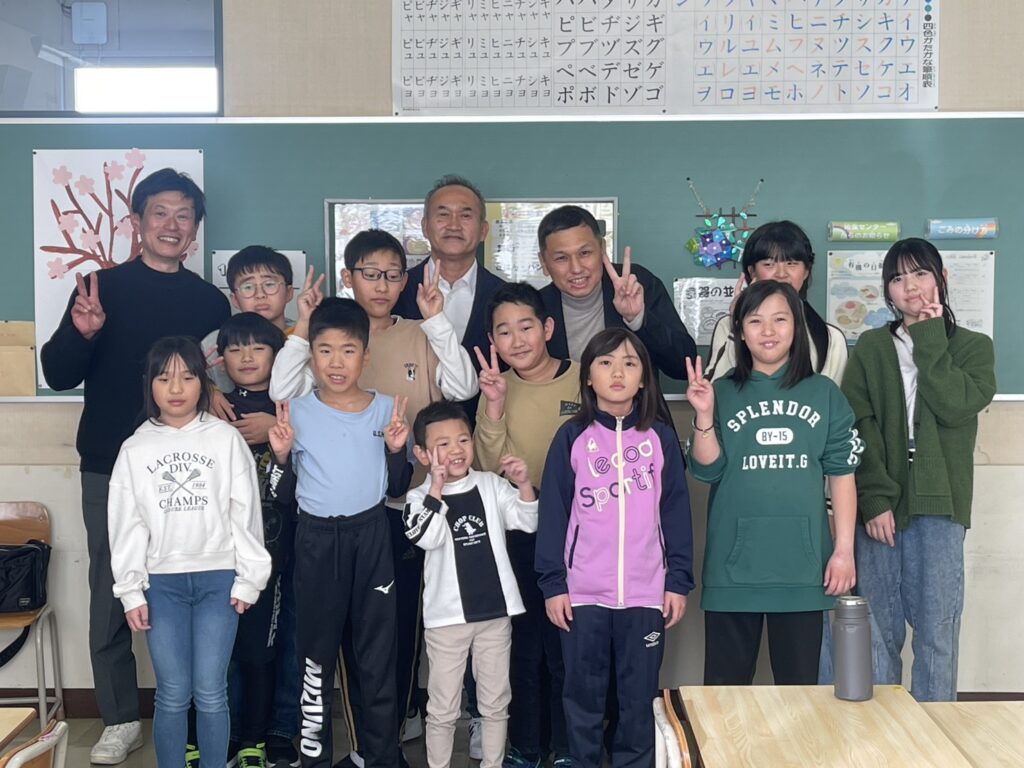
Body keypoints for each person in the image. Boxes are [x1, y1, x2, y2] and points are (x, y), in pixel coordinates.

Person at [40, 168, 229, 765]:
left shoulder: (210, 301)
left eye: (183, 215)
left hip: (189, 466)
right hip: (108, 462)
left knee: (196, 583)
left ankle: (195, 714)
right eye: (160, 213)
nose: (172, 225)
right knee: (111, 588)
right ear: (137, 222)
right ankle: (120, 717)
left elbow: (216, 381)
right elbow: (58, 374)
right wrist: (82, 333)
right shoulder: (99, 288)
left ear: (195, 230)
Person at [269, 229, 478, 765]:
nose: (381, 284)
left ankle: (383, 750)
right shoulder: (309, 388)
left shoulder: (412, 347)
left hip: (395, 516)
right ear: (349, 277)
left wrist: (436, 320)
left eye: (391, 274)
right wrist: (302, 326)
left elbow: (461, 388)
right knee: (322, 652)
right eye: (369, 273)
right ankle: (335, 751)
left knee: (388, 644)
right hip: (323, 531)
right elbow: (281, 394)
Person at [685, 280, 862, 686]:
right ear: (740, 332)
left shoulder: (824, 393)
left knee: (800, 700)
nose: (768, 331)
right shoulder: (721, 392)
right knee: (726, 699)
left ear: (796, 327)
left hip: (803, 571)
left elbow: (842, 475)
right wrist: (705, 415)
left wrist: (844, 551)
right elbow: (706, 471)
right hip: (732, 572)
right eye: (755, 320)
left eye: (780, 319)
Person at [107, 336, 271, 768]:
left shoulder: (224, 440)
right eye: (164, 378)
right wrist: (131, 591)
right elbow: (126, 525)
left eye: (187, 377)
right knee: (173, 693)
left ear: (204, 381)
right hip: (162, 585)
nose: (176, 388)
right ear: (150, 385)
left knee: (212, 691)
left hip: (219, 580)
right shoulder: (135, 448)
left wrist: (250, 579)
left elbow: (245, 512)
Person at [843, 238, 996, 702]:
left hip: (941, 504)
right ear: (887, 290)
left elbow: (955, 406)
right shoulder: (871, 346)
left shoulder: (974, 347)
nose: (909, 286)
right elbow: (858, 423)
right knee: (878, 631)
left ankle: (933, 733)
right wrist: (874, 497)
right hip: (881, 504)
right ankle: (880, 734)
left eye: (920, 273)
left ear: (941, 278)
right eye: (897, 278)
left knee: (937, 631)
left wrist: (929, 339)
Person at [535, 328, 694, 768]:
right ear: (589, 376)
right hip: (583, 594)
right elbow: (554, 515)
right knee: (582, 696)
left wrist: (677, 581)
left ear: (643, 378)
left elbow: (675, 514)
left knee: (638, 700)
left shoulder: (660, 438)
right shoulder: (572, 438)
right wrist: (554, 585)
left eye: (629, 363)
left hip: (646, 593)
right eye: (605, 363)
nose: (617, 372)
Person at [283, 298, 413, 768]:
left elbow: (398, 487)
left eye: (348, 350)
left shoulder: (387, 410)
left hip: (372, 536)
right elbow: (283, 496)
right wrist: (281, 457)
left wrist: (396, 450)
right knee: (315, 658)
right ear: (311, 356)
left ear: (366, 355)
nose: (336, 363)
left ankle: (380, 756)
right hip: (316, 540)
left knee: (377, 654)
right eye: (325, 350)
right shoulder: (295, 412)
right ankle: (315, 758)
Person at [472, 283, 577, 768]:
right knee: (524, 645)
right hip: (517, 532)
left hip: (579, 533)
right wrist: (494, 406)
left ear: (548, 328)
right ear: (493, 340)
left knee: (568, 645)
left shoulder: (583, 378)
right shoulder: (495, 386)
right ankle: (526, 745)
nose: (516, 340)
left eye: (526, 327)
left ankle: (568, 747)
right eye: (504, 331)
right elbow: (486, 463)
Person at [404, 401, 539, 768]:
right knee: (443, 707)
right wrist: (435, 487)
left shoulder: (490, 484)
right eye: (443, 444)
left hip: (495, 614)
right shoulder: (418, 498)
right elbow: (426, 537)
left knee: (496, 702)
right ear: (422, 453)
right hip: (446, 620)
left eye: (463, 440)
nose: (456, 450)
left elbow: (527, 521)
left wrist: (523, 485)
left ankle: (492, 763)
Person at [212, 313, 299, 768]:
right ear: (219, 359)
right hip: (218, 553)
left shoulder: (294, 404)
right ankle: (227, 733)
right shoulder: (211, 406)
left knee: (271, 646)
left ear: (278, 355)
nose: (246, 357)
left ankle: (266, 734)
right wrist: (207, 390)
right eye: (235, 349)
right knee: (222, 650)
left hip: (277, 550)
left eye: (258, 348)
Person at [536, 205, 696, 381]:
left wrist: (638, 318)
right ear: (544, 262)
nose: (576, 268)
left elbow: (683, 367)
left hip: (637, 400)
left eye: (585, 253)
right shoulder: (536, 307)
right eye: (561, 258)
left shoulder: (635, 284)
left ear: (602, 249)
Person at [705, 220, 847, 383]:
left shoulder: (831, 337)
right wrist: (738, 320)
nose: (781, 274)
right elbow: (716, 388)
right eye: (769, 264)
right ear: (752, 272)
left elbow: (832, 395)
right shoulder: (728, 325)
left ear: (806, 272)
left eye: (791, 263)